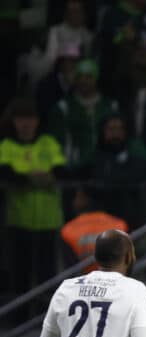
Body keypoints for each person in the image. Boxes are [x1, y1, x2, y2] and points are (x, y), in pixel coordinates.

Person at [0, 99, 68, 293]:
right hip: (19, 222)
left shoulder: (48, 143)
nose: (25, 124)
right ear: (13, 122)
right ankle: (20, 319)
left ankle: (45, 319)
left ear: (37, 121)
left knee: (47, 275)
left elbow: (63, 170)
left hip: (49, 221)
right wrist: (29, 178)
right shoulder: (6, 146)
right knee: (20, 274)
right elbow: (5, 173)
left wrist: (50, 176)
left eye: (29, 118)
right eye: (20, 119)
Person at [47, 59, 120, 168]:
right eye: (80, 76)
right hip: (73, 168)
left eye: (89, 77)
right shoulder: (63, 107)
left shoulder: (110, 106)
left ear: (96, 78)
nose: (84, 81)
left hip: (107, 165)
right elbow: (55, 141)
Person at [61, 188, 129, 271]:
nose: (74, 201)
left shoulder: (68, 230)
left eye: (77, 197)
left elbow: (70, 269)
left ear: (85, 199)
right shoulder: (120, 225)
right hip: (115, 280)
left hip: (83, 281)